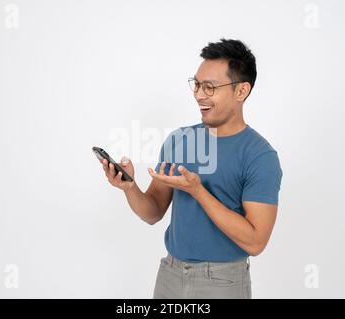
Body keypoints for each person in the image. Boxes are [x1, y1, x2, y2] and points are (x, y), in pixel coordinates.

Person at [99, 38, 283, 299]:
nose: (198, 94)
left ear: (241, 91)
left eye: (209, 87)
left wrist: (198, 191)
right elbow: (153, 212)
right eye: (196, 85)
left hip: (223, 282)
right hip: (170, 274)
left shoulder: (260, 156)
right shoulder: (179, 140)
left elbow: (256, 242)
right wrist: (130, 188)